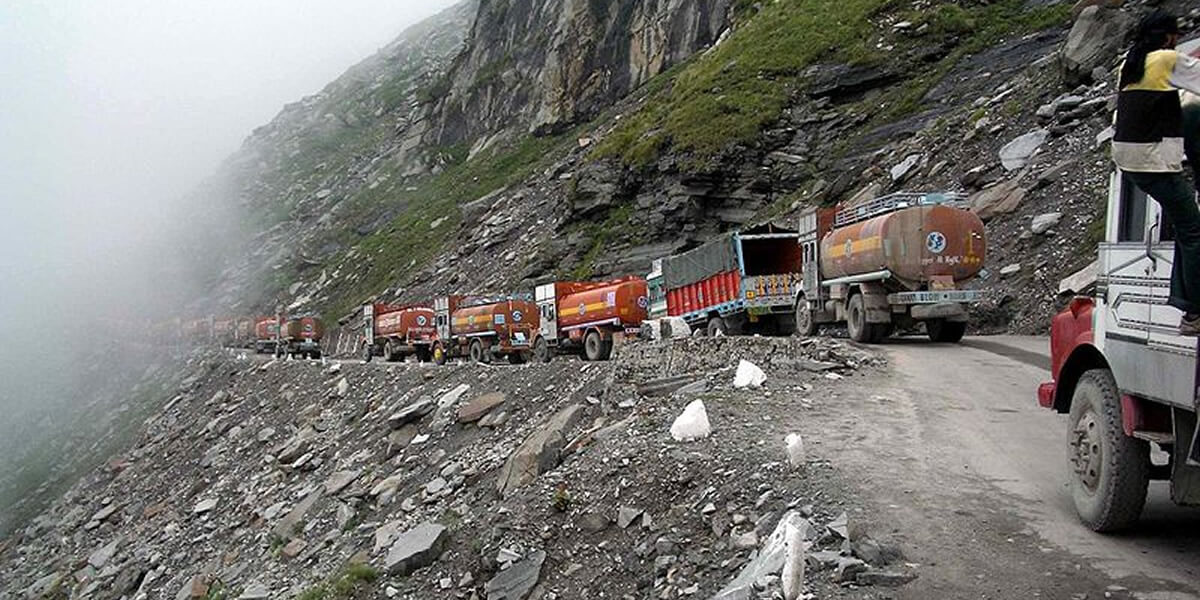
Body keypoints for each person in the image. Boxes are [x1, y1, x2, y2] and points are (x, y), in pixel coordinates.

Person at [1113, 10, 1200, 336]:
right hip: (1152, 161)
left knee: (1186, 228)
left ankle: (1189, 306)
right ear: (1167, 36)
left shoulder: (1131, 62)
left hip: (1131, 162)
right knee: (1194, 232)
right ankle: (1192, 314)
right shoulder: (1165, 58)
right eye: (1175, 34)